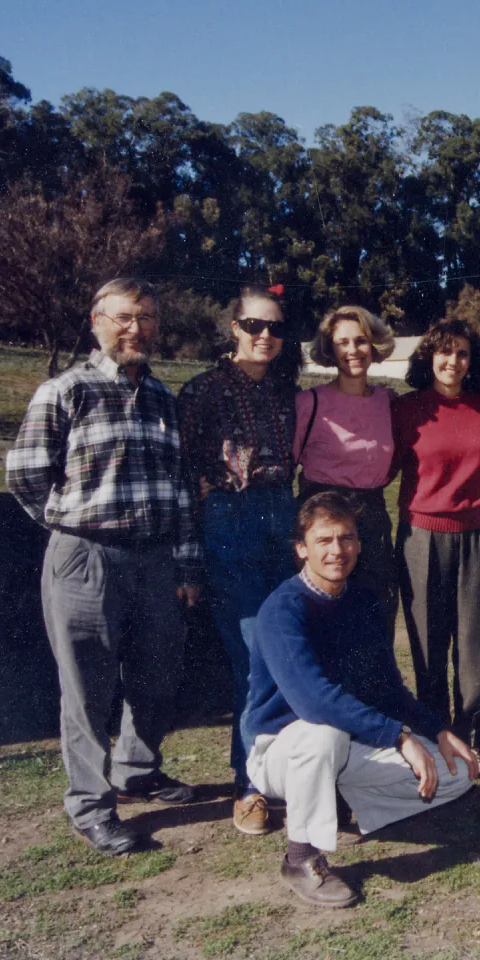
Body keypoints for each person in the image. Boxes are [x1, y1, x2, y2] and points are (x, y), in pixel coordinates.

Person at [6, 278, 201, 857]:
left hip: (156, 558)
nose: (135, 329)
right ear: (96, 320)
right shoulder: (66, 391)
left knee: (157, 673)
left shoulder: (165, 398)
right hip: (86, 558)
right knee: (86, 688)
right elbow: (24, 473)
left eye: (145, 318)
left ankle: (137, 770)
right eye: (123, 317)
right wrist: (71, 525)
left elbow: (181, 488)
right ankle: (91, 804)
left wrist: (186, 565)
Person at [245, 491, 480, 908]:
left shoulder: (364, 602)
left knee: (460, 771)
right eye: (324, 540)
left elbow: (388, 690)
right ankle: (301, 858)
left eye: (347, 538)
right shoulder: (282, 610)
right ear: (302, 549)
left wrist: (437, 731)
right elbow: (313, 701)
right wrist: (399, 738)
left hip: (351, 743)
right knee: (323, 735)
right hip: (283, 751)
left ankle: (335, 802)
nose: (338, 550)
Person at [176, 283, 300, 837]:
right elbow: (181, 480)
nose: (265, 336)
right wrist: (189, 560)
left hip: (281, 518)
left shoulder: (284, 393)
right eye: (255, 326)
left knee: (288, 646)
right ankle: (248, 785)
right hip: (228, 524)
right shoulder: (201, 392)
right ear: (234, 328)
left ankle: (288, 771)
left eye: (274, 327)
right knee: (252, 655)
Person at [392, 318, 480, 775]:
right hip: (422, 537)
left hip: (479, 535)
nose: (452, 362)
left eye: (462, 354)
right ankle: (436, 734)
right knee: (428, 644)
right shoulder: (406, 409)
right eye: (444, 352)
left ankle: (471, 734)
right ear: (428, 357)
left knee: (476, 645)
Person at [295, 305, 398, 641]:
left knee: (374, 623)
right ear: (330, 348)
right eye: (343, 343)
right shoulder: (309, 403)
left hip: (372, 520)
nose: (353, 350)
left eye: (361, 341)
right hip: (323, 519)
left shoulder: (388, 401)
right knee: (323, 624)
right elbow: (285, 463)